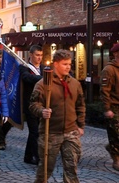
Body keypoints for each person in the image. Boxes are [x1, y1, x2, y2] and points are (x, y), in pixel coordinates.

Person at [29, 49, 85, 183]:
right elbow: (33, 104)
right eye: (65, 64)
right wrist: (42, 111)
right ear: (56, 64)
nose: (68, 67)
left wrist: (81, 125)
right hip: (50, 132)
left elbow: (80, 105)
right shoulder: (43, 84)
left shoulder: (75, 83)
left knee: (71, 168)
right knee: (45, 169)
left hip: (71, 131)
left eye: (69, 64)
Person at [19, 45, 44, 165]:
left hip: (42, 105)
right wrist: (42, 78)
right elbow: (27, 78)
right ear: (31, 55)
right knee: (35, 131)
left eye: (41, 55)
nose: (39, 58)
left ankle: (27, 156)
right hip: (30, 105)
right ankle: (37, 157)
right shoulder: (24, 68)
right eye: (37, 55)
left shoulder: (45, 68)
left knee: (36, 131)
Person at [100, 43, 119, 171]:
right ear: (116, 54)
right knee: (116, 133)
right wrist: (107, 109)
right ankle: (116, 158)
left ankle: (111, 146)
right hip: (114, 106)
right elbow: (104, 91)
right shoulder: (109, 70)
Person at [0, 49, 13, 150]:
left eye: (4, 57)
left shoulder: (9, 69)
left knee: (9, 121)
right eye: (1, 57)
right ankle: (0, 142)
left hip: (7, 97)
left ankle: (2, 136)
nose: (3, 59)